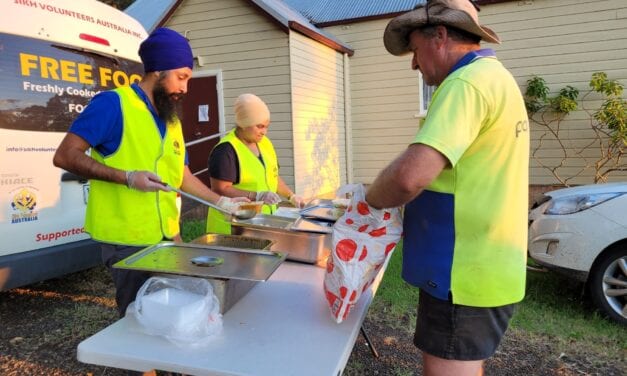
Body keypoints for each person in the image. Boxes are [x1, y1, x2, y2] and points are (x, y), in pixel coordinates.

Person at [366, 1, 529, 375]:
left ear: (439, 35)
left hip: (463, 271)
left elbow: (411, 176)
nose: (413, 63)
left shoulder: (465, 84)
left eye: (415, 49)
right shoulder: (494, 76)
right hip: (487, 265)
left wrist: (368, 200)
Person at [53, 27, 247, 319]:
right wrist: (128, 177)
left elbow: (179, 176)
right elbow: (65, 155)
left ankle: (166, 365)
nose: (185, 87)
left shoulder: (171, 120)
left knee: (172, 312)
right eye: (181, 77)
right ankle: (144, 367)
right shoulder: (113, 105)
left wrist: (220, 202)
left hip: (167, 236)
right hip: (127, 242)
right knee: (139, 318)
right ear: (157, 71)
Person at [206, 93, 305, 234]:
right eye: (259, 126)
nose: (264, 132)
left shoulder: (265, 144)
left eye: (266, 126)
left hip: (261, 222)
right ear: (244, 124)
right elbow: (220, 189)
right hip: (231, 227)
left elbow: (273, 176)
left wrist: (291, 196)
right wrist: (256, 195)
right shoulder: (226, 150)